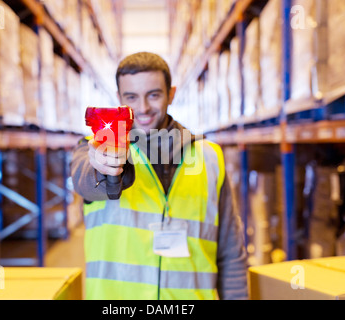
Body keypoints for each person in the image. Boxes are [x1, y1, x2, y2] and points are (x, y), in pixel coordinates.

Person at [71, 52, 248, 300]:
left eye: (153, 95)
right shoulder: (95, 149)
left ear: (171, 94)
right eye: (131, 97)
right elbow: (86, 182)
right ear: (119, 98)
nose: (143, 108)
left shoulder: (209, 156)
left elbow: (230, 251)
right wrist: (105, 169)